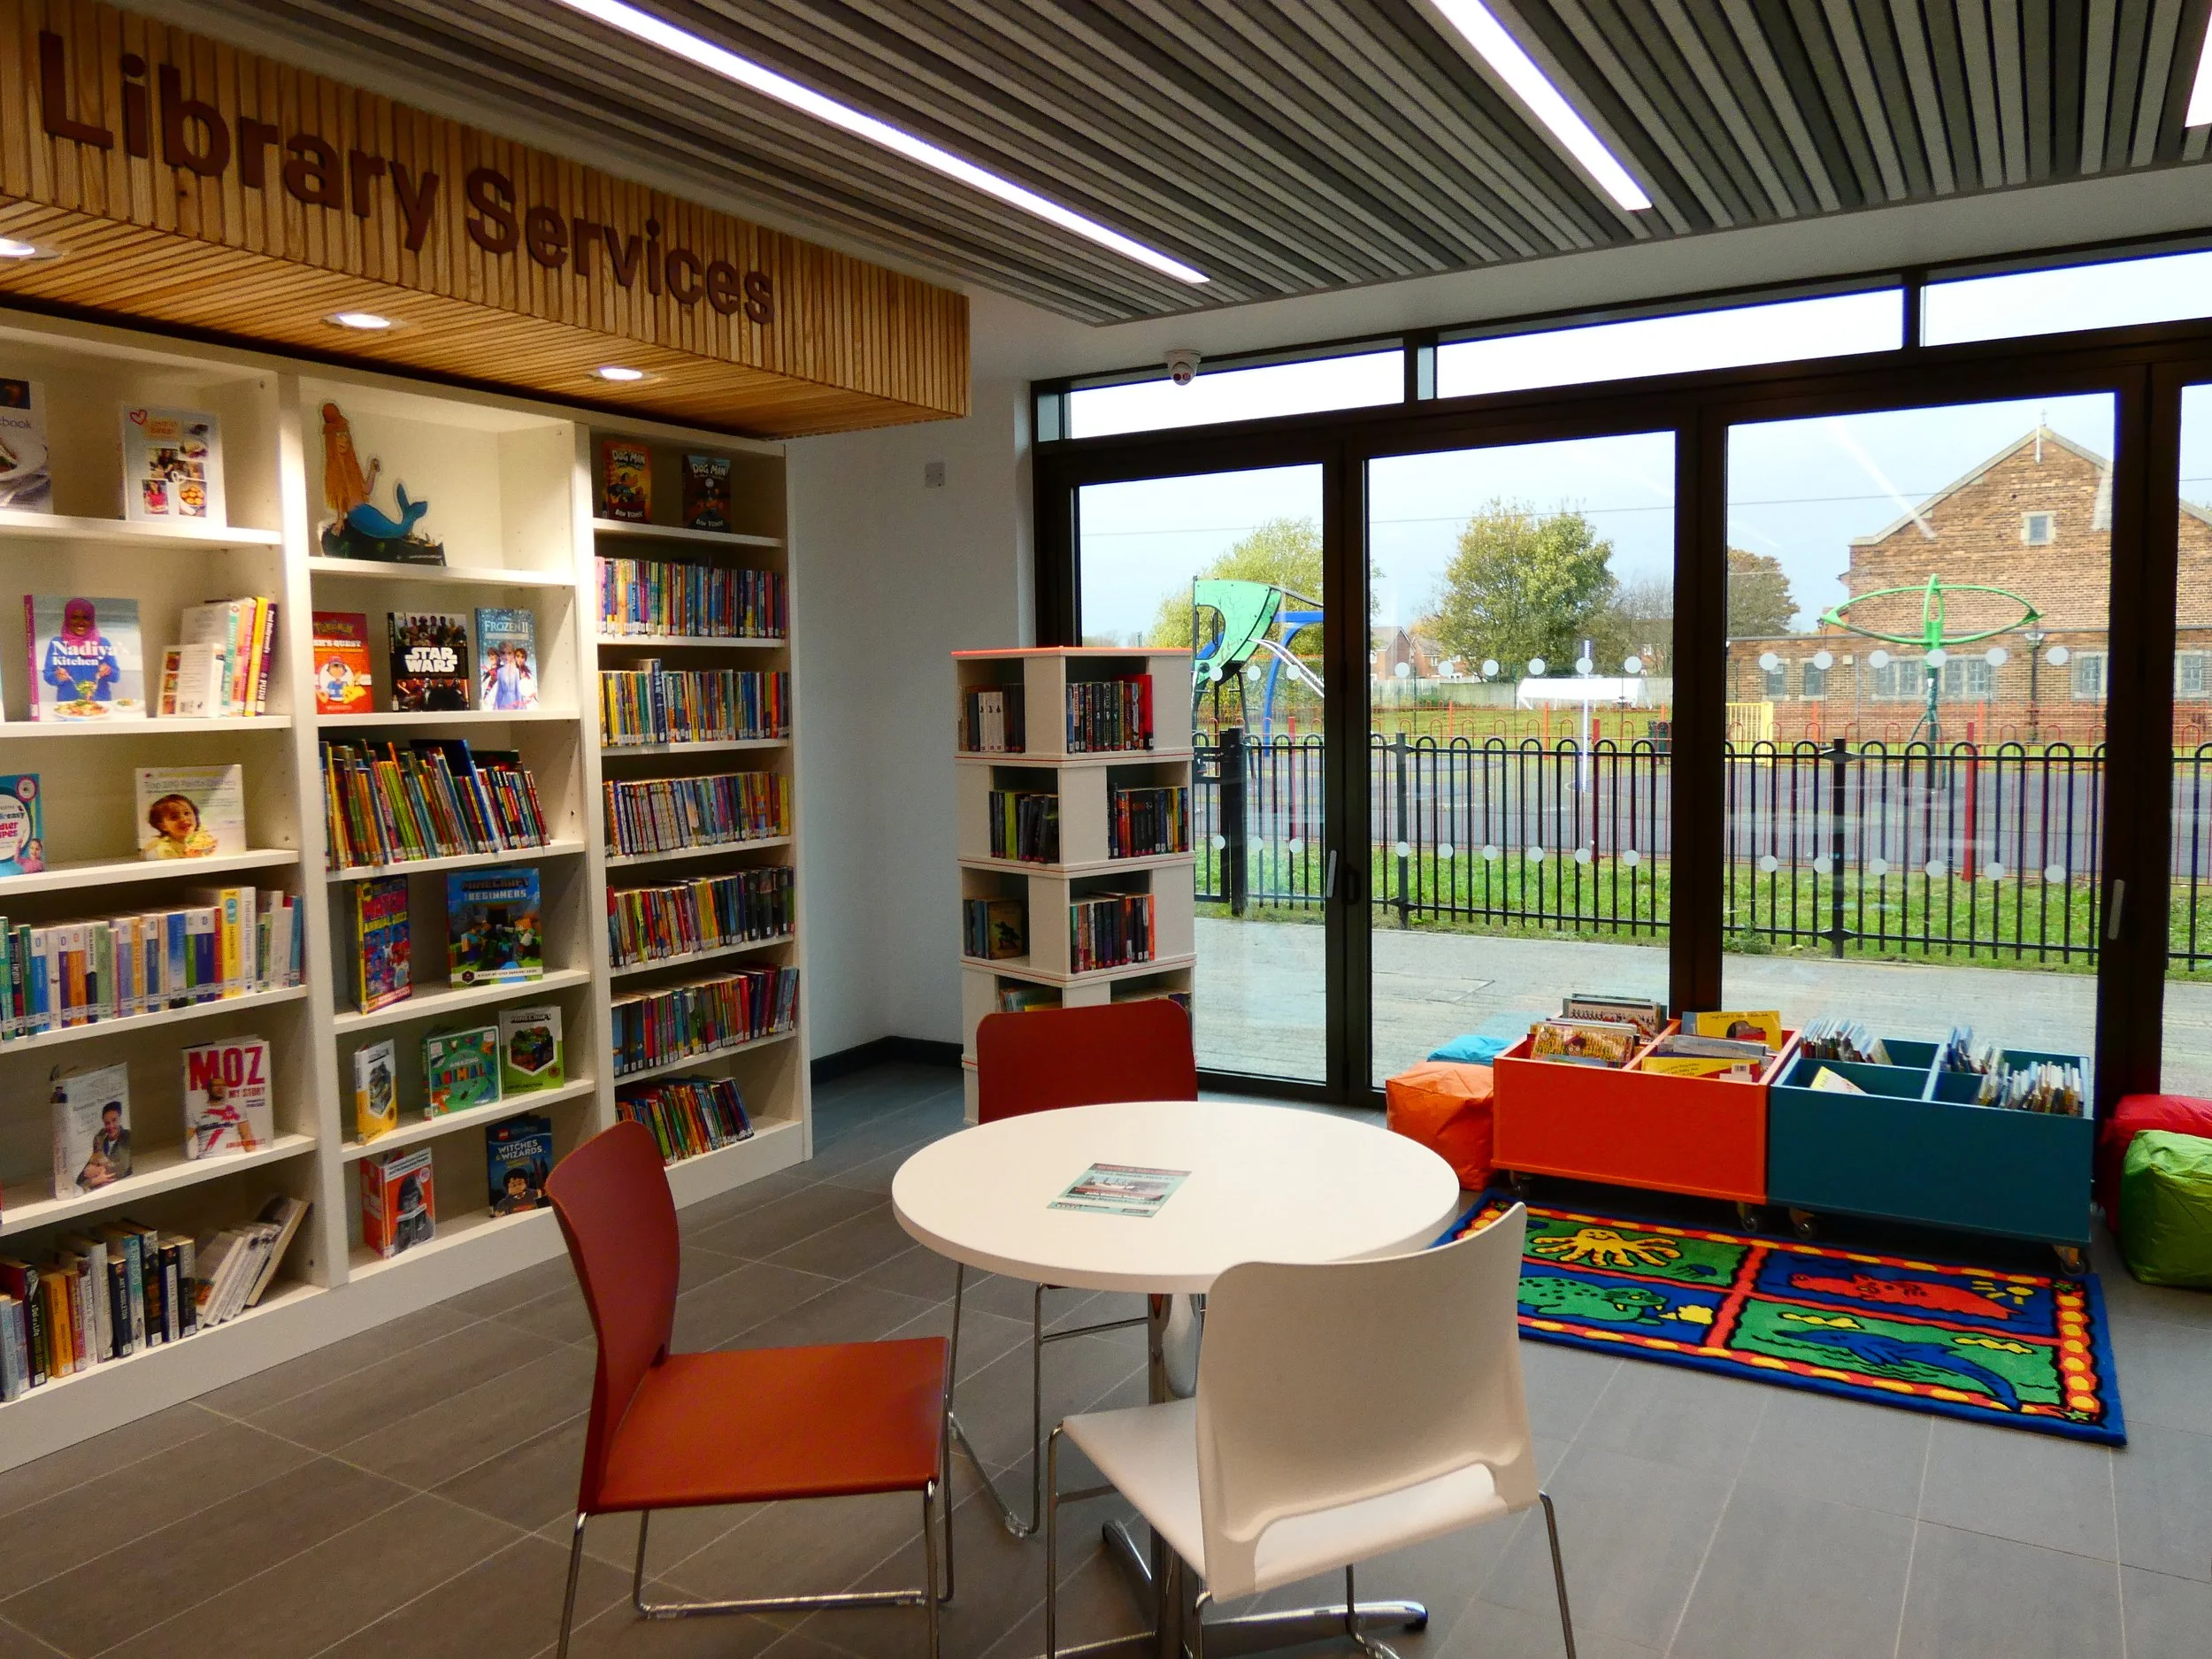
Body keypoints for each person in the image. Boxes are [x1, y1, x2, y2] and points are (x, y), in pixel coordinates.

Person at [42, 597, 119, 710]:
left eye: (86, 618)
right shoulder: (57, 644)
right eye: (75, 617)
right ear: (67, 619)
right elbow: (48, 675)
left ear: (92, 620)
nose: (81, 622)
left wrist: (108, 671)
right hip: (68, 706)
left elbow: (116, 677)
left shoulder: (103, 643)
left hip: (100, 705)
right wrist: (57, 676)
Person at [144, 792, 217, 858]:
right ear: (163, 826)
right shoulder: (166, 849)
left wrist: (209, 848)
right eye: (174, 817)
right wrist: (190, 858)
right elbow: (176, 870)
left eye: (187, 813)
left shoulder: (201, 832)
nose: (183, 819)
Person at [79, 1101, 131, 1189]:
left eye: (114, 1120)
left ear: (120, 1119)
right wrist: (95, 1181)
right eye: (107, 1123)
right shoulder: (100, 1141)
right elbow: (80, 1181)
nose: (111, 1126)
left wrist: (98, 1170)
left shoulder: (127, 1137)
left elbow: (123, 1169)